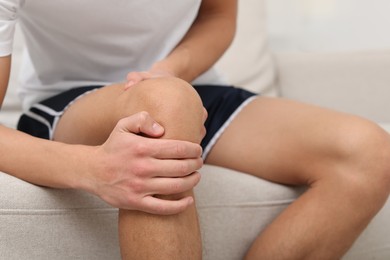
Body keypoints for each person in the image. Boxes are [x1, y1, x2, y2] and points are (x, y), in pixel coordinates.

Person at [1, 1, 390, 259]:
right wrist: (89, 167)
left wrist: (170, 71)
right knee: (165, 106)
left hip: (184, 84)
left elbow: (218, 15)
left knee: (368, 154)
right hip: (70, 103)